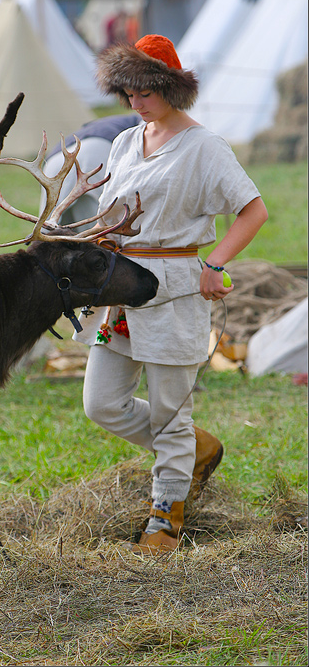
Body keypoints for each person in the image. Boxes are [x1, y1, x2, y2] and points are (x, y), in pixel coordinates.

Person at [74, 34, 268, 555]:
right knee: (101, 404)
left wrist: (215, 263)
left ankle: (165, 520)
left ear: (170, 88)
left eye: (145, 93)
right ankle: (195, 449)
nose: (136, 105)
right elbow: (112, 215)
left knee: (168, 413)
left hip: (175, 289)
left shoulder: (205, 147)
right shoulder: (125, 142)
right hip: (121, 289)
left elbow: (253, 210)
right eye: (128, 95)